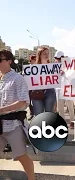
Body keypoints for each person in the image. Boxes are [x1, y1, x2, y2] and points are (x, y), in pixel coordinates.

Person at [0, 50, 35, 180]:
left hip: (13, 124)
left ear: (9, 61)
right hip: (0, 124)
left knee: (21, 155)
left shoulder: (17, 78)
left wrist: (2, 110)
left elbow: (23, 102)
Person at [30, 47, 57, 115]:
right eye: (44, 54)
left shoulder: (53, 67)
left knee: (49, 114)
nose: (47, 55)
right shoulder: (33, 68)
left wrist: (60, 73)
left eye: (48, 53)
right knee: (39, 115)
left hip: (50, 91)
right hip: (36, 92)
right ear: (39, 55)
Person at [54, 51, 75, 128]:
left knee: (70, 106)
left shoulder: (68, 65)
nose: (58, 60)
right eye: (57, 58)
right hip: (58, 89)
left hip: (67, 88)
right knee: (60, 107)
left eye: (60, 58)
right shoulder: (53, 66)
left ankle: (72, 121)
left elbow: (73, 74)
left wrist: (66, 71)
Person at [27, 55, 36, 121]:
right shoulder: (27, 68)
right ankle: (32, 114)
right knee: (30, 102)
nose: (36, 61)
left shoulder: (38, 67)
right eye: (34, 59)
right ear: (31, 60)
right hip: (29, 87)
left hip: (36, 87)